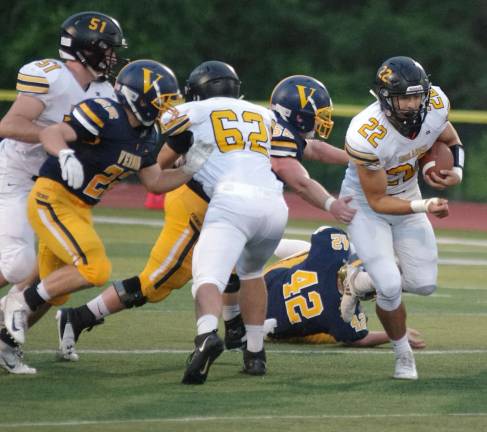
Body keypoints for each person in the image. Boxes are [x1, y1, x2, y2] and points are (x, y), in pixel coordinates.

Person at [55, 67, 353, 370]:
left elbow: (310, 147)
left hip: (223, 201)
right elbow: (157, 167)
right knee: (160, 280)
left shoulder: (232, 116)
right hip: (195, 202)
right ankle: (79, 316)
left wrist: (355, 155)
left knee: (234, 264)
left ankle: (235, 325)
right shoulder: (238, 116)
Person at [0, 59, 203, 374]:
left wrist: (191, 169)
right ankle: (18, 302)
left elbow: (155, 182)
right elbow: (53, 131)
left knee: (54, 288)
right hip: (52, 197)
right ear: (138, 96)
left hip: (78, 208)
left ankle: (5, 343)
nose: (167, 107)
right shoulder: (105, 113)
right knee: (94, 269)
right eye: (162, 100)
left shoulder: (148, 136)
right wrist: (64, 153)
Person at [0, 11, 127, 374]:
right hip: (18, 175)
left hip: (56, 185)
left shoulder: (105, 91)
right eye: (107, 49)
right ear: (86, 48)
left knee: (55, 278)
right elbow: (9, 124)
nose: (112, 57)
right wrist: (61, 140)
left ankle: (5, 342)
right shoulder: (50, 75)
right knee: (21, 265)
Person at [339, 56, 463, 380]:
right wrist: (425, 205)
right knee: (391, 286)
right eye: (403, 98)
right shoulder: (366, 134)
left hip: (407, 194)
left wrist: (455, 170)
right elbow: (378, 200)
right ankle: (403, 354)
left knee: (425, 284)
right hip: (366, 208)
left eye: (416, 96)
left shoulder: (434, 103)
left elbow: (447, 138)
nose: (412, 104)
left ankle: (359, 282)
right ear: (384, 98)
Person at [224, 226, 425, 350]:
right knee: (330, 332)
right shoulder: (343, 317)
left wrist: (355, 253)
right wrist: (395, 334)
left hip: (256, 288)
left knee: (308, 253)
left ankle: (251, 247)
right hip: (265, 327)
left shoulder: (330, 255)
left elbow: (323, 230)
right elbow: (359, 340)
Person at [269, 75, 356, 224]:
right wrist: (331, 204)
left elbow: (316, 149)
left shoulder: (274, 125)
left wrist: (361, 160)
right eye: (319, 115)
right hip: (239, 204)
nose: (322, 120)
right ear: (300, 117)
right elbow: (300, 184)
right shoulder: (282, 134)